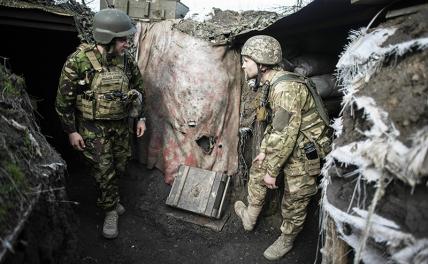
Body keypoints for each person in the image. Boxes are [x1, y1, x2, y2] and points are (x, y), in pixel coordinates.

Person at [235, 35, 331, 260]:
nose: (242, 65)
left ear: (261, 64)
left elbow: (285, 133)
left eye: (246, 60)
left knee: (296, 197)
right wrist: (264, 151)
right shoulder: (273, 83)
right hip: (288, 140)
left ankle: (287, 239)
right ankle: (250, 217)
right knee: (257, 169)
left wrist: (273, 170)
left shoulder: (285, 89)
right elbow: (277, 126)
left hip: (306, 150)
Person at [55, 8, 146, 239]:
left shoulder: (126, 61)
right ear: (107, 39)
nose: (127, 43)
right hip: (93, 129)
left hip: (121, 126)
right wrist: (71, 131)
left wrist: (140, 116)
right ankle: (109, 211)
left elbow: (139, 88)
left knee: (120, 166)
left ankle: (112, 200)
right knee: (103, 172)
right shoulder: (78, 62)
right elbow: (63, 101)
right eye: (123, 39)